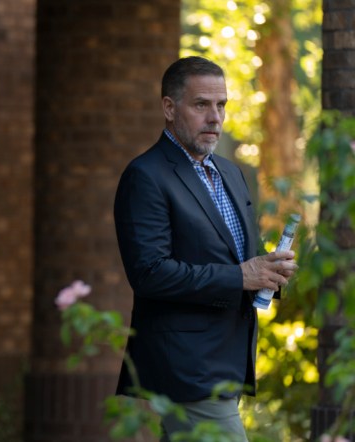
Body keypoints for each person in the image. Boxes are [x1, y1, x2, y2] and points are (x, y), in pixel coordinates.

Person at [113, 56, 298, 441]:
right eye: (201, 105)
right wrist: (241, 276)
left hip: (230, 358)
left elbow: (236, 257)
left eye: (221, 105)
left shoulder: (231, 172)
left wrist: (268, 270)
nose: (215, 117)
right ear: (169, 107)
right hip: (185, 366)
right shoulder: (145, 176)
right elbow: (149, 273)